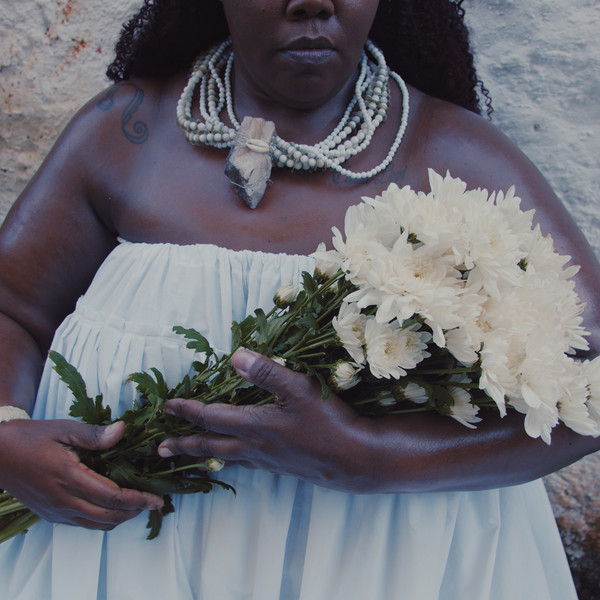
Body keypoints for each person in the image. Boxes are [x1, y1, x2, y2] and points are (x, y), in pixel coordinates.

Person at [0, 0, 598, 598]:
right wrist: (5, 437)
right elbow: (13, 309)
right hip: (128, 558)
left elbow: (590, 379)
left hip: (381, 566)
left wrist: (377, 457)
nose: (312, 1)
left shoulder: (456, 157)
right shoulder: (125, 133)